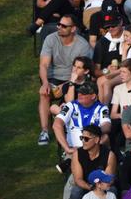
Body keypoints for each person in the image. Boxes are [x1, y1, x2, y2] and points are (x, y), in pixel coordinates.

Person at [37, 14, 93, 146]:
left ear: (73, 29)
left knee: (66, 95)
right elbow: (43, 65)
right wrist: (45, 83)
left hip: (73, 78)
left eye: (64, 26)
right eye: (59, 24)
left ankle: (66, 123)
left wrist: (67, 84)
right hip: (52, 78)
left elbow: (81, 70)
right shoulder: (51, 39)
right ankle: (44, 130)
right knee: (44, 93)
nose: (59, 28)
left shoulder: (82, 46)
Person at [68, 124, 117, 199]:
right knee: (76, 191)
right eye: (82, 138)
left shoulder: (109, 155)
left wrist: (98, 188)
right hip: (86, 185)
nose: (83, 141)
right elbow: (78, 179)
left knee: (112, 190)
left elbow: (108, 180)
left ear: (97, 140)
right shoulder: (78, 154)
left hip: (104, 187)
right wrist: (90, 187)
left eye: (86, 138)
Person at [53, 81, 111, 153]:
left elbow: (107, 126)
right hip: (73, 150)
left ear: (93, 96)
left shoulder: (102, 108)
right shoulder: (71, 105)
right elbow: (57, 125)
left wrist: (90, 133)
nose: (79, 94)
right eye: (79, 92)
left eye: (83, 93)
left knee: (105, 137)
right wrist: (67, 148)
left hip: (93, 148)